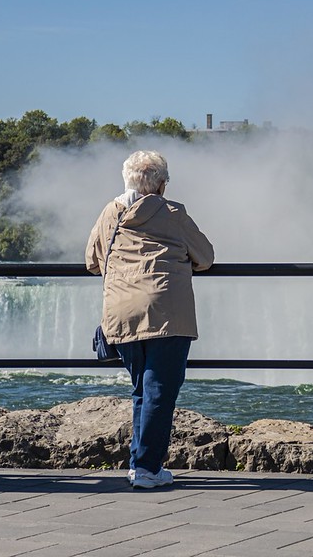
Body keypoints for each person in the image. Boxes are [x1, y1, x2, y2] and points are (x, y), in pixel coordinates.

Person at [86, 150, 214, 489]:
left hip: (121, 314)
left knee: (143, 389)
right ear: (160, 185)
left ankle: (141, 464)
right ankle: (146, 469)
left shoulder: (110, 213)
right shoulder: (172, 213)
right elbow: (206, 256)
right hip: (165, 312)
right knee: (159, 391)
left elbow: (91, 259)